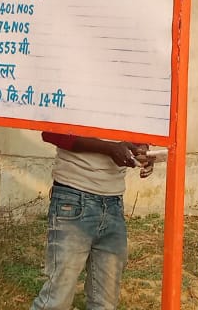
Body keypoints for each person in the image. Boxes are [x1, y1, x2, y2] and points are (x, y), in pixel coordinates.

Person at [28, 132, 155, 310]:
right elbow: (52, 132)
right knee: (57, 300)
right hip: (73, 196)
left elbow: (138, 133)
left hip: (113, 201)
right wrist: (109, 148)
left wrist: (142, 151)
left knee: (105, 303)